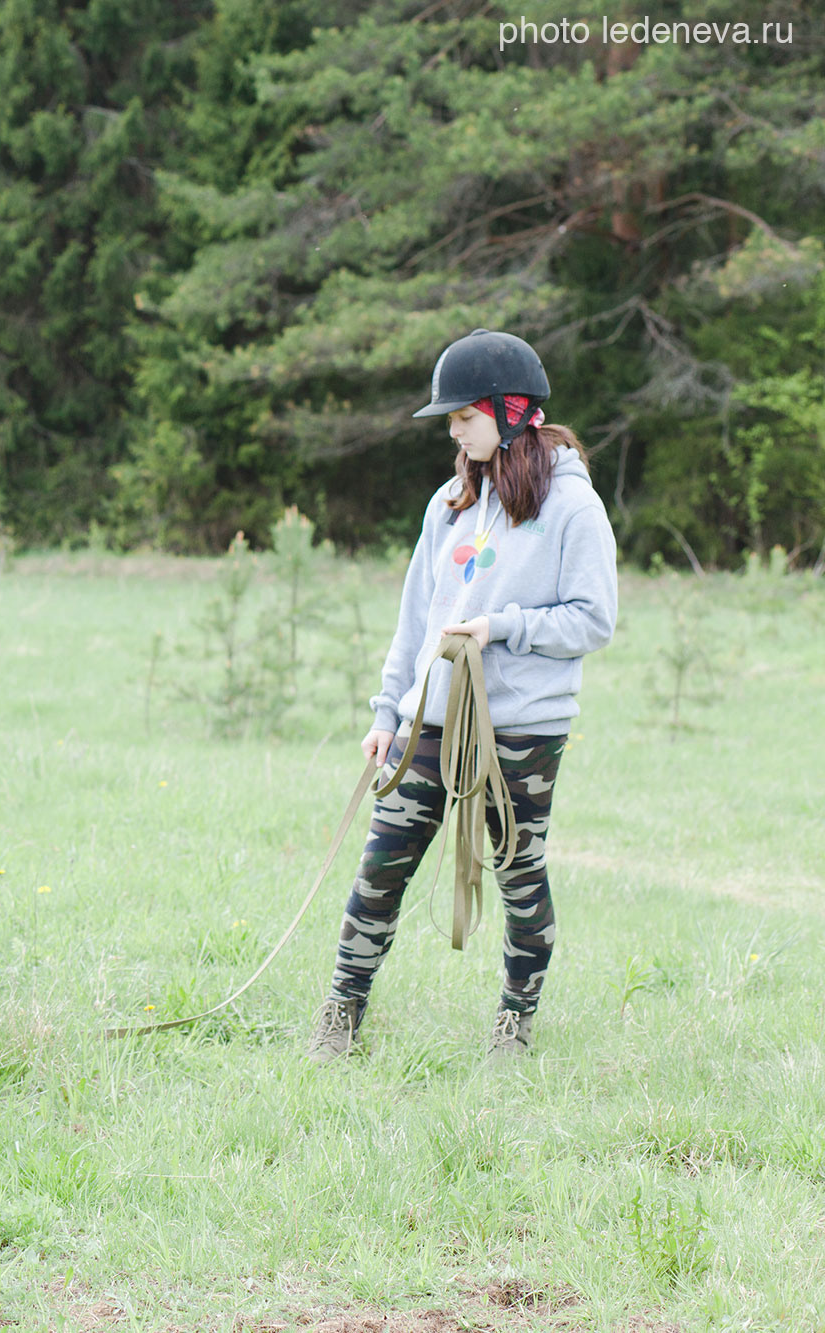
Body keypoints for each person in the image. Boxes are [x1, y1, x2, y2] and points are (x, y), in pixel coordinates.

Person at [307, 328, 618, 1064]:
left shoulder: (572, 507)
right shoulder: (448, 503)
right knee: (381, 865)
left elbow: (594, 618)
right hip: (431, 721)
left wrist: (501, 627)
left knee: (519, 873)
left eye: (463, 415)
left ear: (510, 412)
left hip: (520, 731)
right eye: (450, 418)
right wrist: (388, 712)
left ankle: (515, 1023)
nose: (452, 427)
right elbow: (415, 617)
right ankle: (342, 1012)